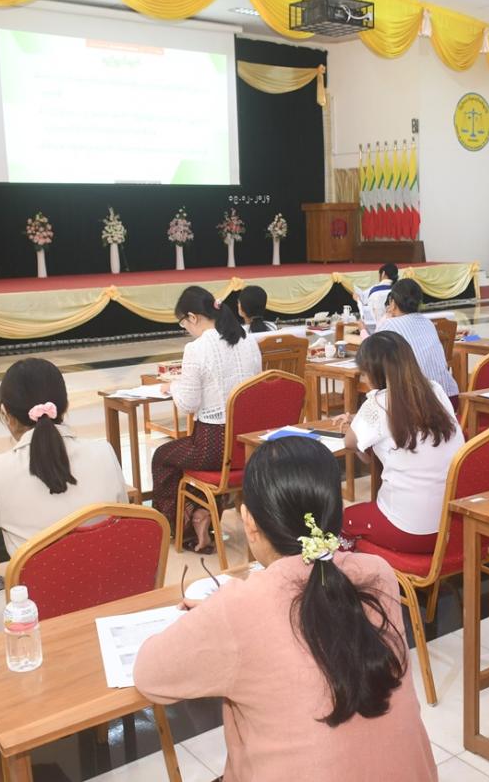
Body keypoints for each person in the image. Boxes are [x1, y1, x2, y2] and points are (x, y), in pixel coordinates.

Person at [132, 437, 438, 782]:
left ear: (248, 521)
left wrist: (218, 614)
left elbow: (149, 674)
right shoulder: (378, 574)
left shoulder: (239, 607)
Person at [0, 358, 128, 633]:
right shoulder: (104, 452)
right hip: (108, 592)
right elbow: (122, 515)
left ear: (6, 414)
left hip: (38, 613)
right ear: (64, 406)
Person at [150, 286, 262, 553]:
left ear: (193, 317)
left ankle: (182, 530)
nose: (185, 329)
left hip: (215, 446)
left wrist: (172, 387)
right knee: (185, 455)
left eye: (183, 323)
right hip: (251, 448)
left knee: (163, 457)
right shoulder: (248, 340)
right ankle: (201, 515)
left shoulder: (197, 348)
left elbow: (188, 404)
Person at [334, 332, 464, 553]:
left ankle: (354, 571)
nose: (364, 380)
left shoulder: (377, 402)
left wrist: (351, 425)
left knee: (343, 519)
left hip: (407, 529)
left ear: (374, 373)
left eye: (364, 374)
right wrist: (361, 420)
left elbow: (349, 442)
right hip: (451, 528)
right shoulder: (434, 390)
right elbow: (411, 419)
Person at [376, 278, 459, 400]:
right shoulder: (428, 323)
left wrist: (386, 316)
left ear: (392, 302)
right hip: (450, 397)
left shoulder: (389, 325)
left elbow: (372, 357)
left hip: (418, 402)